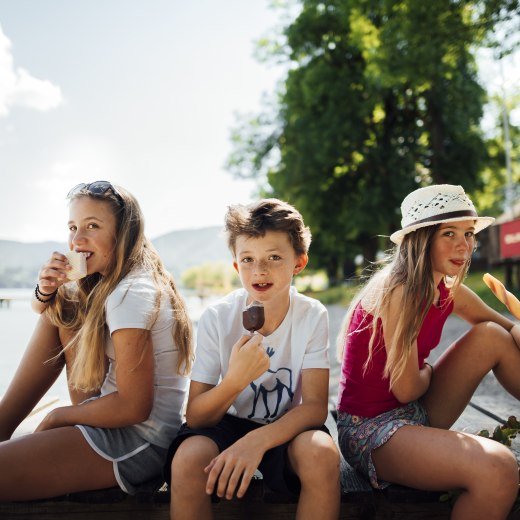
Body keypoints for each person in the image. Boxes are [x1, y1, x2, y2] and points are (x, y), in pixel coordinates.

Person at [0, 181, 193, 500]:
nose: (77, 239)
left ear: (124, 233)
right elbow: (43, 310)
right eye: (73, 227)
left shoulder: (131, 295)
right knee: (62, 305)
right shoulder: (118, 281)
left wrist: (57, 416)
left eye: (92, 226)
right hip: (110, 420)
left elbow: (134, 407)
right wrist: (45, 290)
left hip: (138, 444)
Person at [336, 184, 520, 520]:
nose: (463, 245)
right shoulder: (399, 293)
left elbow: (506, 330)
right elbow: (407, 387)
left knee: (492, 336)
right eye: (449, 233)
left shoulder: (448, 289)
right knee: (499, 468)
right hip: (372, 431)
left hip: (414, 411)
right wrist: (432, 372)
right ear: (420, 240)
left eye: (468, 233)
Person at [167, 199, 340, 520]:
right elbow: (196, 416)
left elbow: (315, 407)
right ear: (235, 265)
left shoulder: (312, 315)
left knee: (322, 454)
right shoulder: (218, 318)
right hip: (226, 421)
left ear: (298, 263)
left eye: (274, 258)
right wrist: (234, 380)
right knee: (188, 458)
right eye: (248, 259)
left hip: (285, 425)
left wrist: (256, 441)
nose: (259, 270)